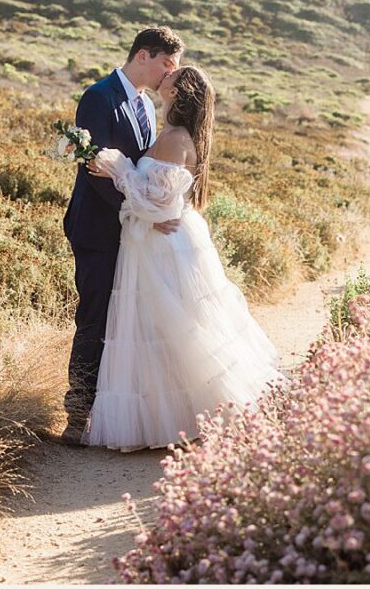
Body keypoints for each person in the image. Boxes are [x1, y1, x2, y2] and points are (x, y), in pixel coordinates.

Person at [82, 65, 282, 450]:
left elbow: (157, 205)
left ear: (179, 92)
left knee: (177, 327)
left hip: (164, 244)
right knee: (160, 329)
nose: (167, 74)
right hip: (153, 242)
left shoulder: (175, 139)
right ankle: (176, 417)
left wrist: (118, 167)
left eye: (174, 75)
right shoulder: (171, 133)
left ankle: (203, 412)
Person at [59, 26, 184, 446]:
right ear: (144, 55)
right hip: (98, 227)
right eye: (168, 63)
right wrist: (141, 214)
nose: (171, 73)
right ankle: (76, 417)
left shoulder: (147, 106)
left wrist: (149, 214)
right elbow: (94, 174)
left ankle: (124, 415)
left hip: (134, 235)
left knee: (127, 321)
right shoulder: (99, 96)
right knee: (94, 318)